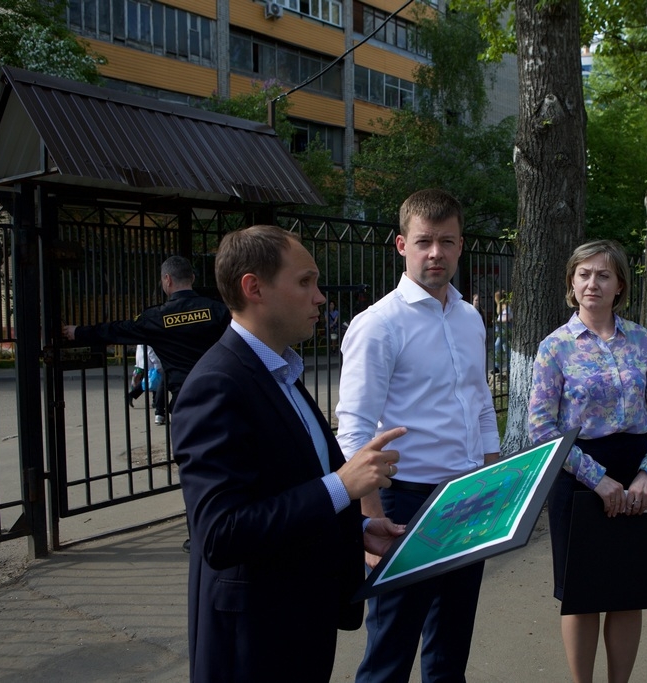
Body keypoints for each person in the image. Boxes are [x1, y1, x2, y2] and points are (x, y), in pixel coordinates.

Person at [171, 225, 408, 683]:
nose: (320, 297)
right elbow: (221, 533)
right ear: (254, 288)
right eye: (305, 282)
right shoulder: (217, 384)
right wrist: (341, 486)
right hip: (255, 639)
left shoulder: (278, 370)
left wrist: (357, 528)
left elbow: (288, 484)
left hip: (297, 622)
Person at [336, 188, 501, 683]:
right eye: (424, 241)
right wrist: (372, 519)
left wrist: (493, 482)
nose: (436, 253)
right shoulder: (378, 325)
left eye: (446, 242)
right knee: (390, 653)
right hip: (405, 504)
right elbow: (355, 432)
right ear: (401, 245)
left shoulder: (469, 318)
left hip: (467, 498)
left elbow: (480, 403)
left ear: (460, 246)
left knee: (451, 649)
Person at [527, 239, 647, 683]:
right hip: (578, 475)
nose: (592, 283)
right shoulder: (554, 347)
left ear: (620, 286)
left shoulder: (642, 340)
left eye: (603, 275)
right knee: (582, 596)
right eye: (584, 274)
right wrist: (598, 480)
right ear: (572, 283)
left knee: (628, 593)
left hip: (638, 476)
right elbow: (540, 428)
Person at [63, 255, 230, 414]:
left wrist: (78, 332)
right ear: (192, 278)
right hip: (221, 396)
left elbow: (117, 330)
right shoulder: (218, 310)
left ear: (167, 279)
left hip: (186, 401)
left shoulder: (155, 318)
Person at [128, 344, 166, 425]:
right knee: (152, 383)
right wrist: (158, 366)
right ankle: (132, 394)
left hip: (143, 362)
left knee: (151, 383)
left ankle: (155, 402)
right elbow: (152, 353)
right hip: (150, 364)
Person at [492, 289, 512, 373]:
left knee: (497, 345)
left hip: (506, 328)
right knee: (506, 348)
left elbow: (508, 318)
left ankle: (497, 366)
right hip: (503, 328)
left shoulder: (506, 306)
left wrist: (497, 321)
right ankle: (509, 366)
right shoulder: (502, 307)